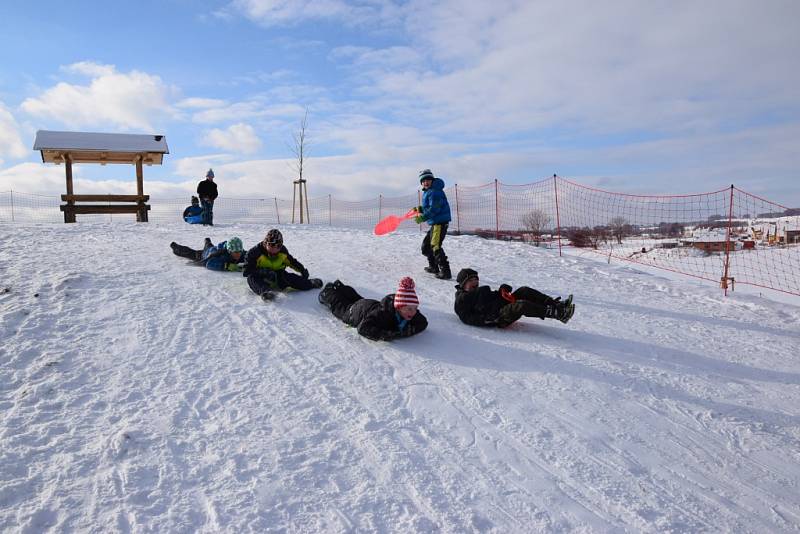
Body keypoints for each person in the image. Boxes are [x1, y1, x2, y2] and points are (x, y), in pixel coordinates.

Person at [453, 268, 574, 328]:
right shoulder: (461, 300)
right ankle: (558, 314)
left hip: (500, 306)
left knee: (524, 290)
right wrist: (486, 319)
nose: (475, 282)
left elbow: (494, 296)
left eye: (476, 279)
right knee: (521, 305)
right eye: (471, 280)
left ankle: (556, 304)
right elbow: (466, 318)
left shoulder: (480, 291)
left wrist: (502, 290)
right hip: (498, 317)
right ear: (463, 284)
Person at [318, 277, 428, 341]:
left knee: (356, 298)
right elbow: (363, 328)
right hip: (355, 313)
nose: (414, 312)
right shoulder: (383, 313)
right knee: (341, 306)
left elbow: (423, 322)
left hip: (368, 305)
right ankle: (327, 293)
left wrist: (409, 331)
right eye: (409, 309)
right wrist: (388, 334)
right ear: (399, 307)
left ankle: (340, 287)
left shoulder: (409, 312)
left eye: (415, 308)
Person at [243, 228, 323, 301]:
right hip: (262, 279)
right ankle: (266, 292)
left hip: (277, 276)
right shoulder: (254, 253)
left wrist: (302, 270)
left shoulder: (282, 252)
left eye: (278, 246)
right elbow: (246, 271)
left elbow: (292, 262)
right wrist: (263, 271)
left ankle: (309, 283)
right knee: (251, 278)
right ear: (265, 243)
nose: (274, 248)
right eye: (271, 245)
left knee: (288, 277)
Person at [414, 169, 452, 279]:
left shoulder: (435, 191)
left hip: (440, 223)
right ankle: (433, 266)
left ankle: (445, 271)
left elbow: (435, 208)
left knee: (435, 246)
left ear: (432, 180)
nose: (426, 182)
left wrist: (423, 217)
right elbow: (429, 207)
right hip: (435, 224)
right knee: (426, 246)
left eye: (428, 180)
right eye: (423, 181)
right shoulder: (429, 191)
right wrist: (420, 209)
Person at [170, 236, 246, 271]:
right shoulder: (221, 255)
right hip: (205, 254)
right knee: (190, 253)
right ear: (229, 251)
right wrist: (226, 266)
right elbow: (209, 263)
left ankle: (207, 241)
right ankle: (176, 247)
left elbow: (249, 254)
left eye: (239, 251)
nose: (238, 254)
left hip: (213, 248)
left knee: (209, 245)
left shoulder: (240, 252)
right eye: (235, 252)